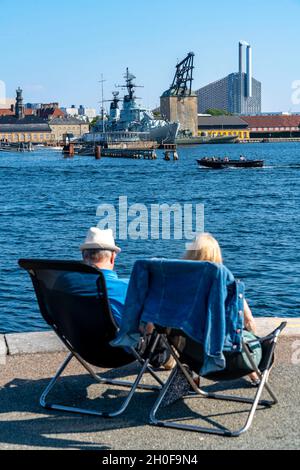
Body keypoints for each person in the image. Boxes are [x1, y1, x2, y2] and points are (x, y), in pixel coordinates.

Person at [184, 233, 259, 384]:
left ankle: (194, 379)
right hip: (229, 362)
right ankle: (254, 375)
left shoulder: (180, 284)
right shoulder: (229, 285)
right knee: (268, 350)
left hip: (192, 358)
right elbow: (249, 321)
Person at [54, 227, 128, 327]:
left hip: (77, 340)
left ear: (84, 257)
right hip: (118, 341)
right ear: (112, 258)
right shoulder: (129, 288)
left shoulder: (64, 281)